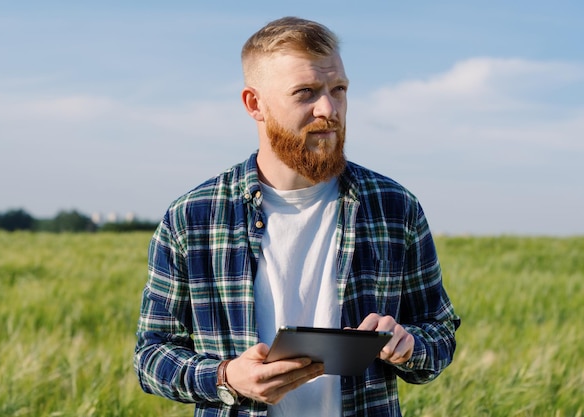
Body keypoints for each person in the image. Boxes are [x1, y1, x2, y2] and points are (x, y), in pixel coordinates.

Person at [134, 16, 460, 417]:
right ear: (255, 104)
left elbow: (440, 331)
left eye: (338, 90)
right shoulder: (192, 218)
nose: (329, 109)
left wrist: (410, 346)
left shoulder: (395, 207)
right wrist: (226, 377)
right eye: (306, 92)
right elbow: (150, 356)